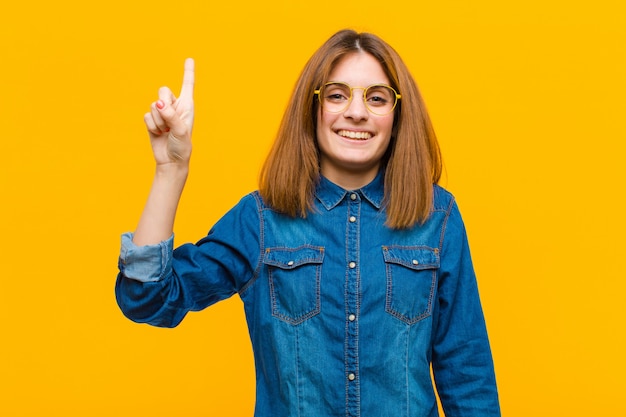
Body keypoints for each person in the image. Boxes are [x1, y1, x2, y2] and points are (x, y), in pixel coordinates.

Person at [116, 29, 501, 417]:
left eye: (377, 98)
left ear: (397, 117)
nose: (356, 111)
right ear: (312, 107)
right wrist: (171, 170)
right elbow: (148, 300)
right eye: (337, 94)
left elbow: (467, 373)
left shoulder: (437, 215)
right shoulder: (261, 219)